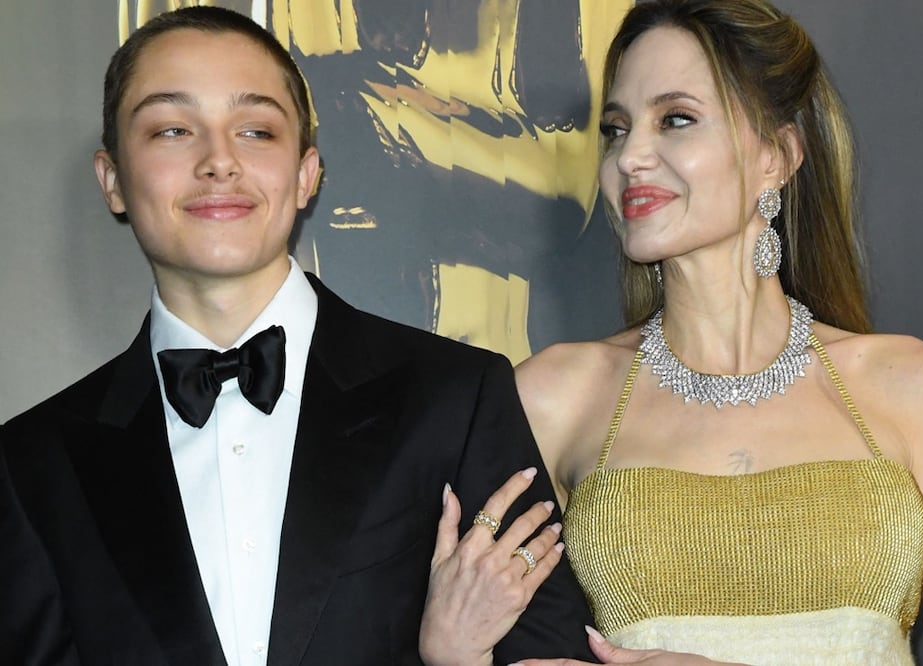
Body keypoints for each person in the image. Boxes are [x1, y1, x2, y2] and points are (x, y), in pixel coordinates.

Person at [422, 0, 923, 664]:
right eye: (616, 130)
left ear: (778, 155)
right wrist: (449, 652)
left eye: (675, 119)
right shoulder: (554, 395)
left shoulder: (912, 386)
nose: (631, 158)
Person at [0, 6, 595, 665]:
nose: (218, 160)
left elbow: (546, 651)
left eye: (254, 130)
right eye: (172, 129)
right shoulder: (34, 464)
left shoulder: (455, 398)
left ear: (307, 173)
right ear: (112, 180)